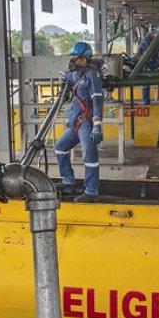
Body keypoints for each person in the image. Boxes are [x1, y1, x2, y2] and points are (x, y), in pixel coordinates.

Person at [55, 41, 104, 202]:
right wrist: (64, 76)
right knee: (60, 148)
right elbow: (69, 76)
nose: (72, 60)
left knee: (89, 156)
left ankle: (91, 191)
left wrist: (97, 123)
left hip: (87, 123)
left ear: (84, 59)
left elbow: (97, 99)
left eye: (75, 57)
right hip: (75, 123)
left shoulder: (92, 76)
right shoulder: (77, 74)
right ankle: (68, 181)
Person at [136, 25, 159, 104]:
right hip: (146, 64)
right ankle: (146, 102)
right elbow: (139, 52)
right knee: (145, 83)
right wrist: (142, 63)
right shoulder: (146, 40)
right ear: (153, 33)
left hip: (154, 62)